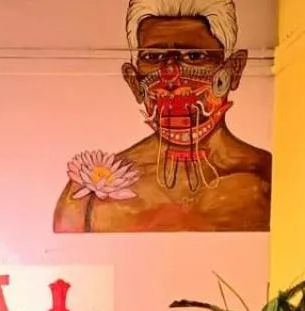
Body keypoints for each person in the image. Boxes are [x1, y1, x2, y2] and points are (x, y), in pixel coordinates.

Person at [53, 0, 271, 233]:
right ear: (133, 79)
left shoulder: (270, 176)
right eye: (153, 57)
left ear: (233, 70)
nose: (171, 75)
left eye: (195, 56)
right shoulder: (87, 195)